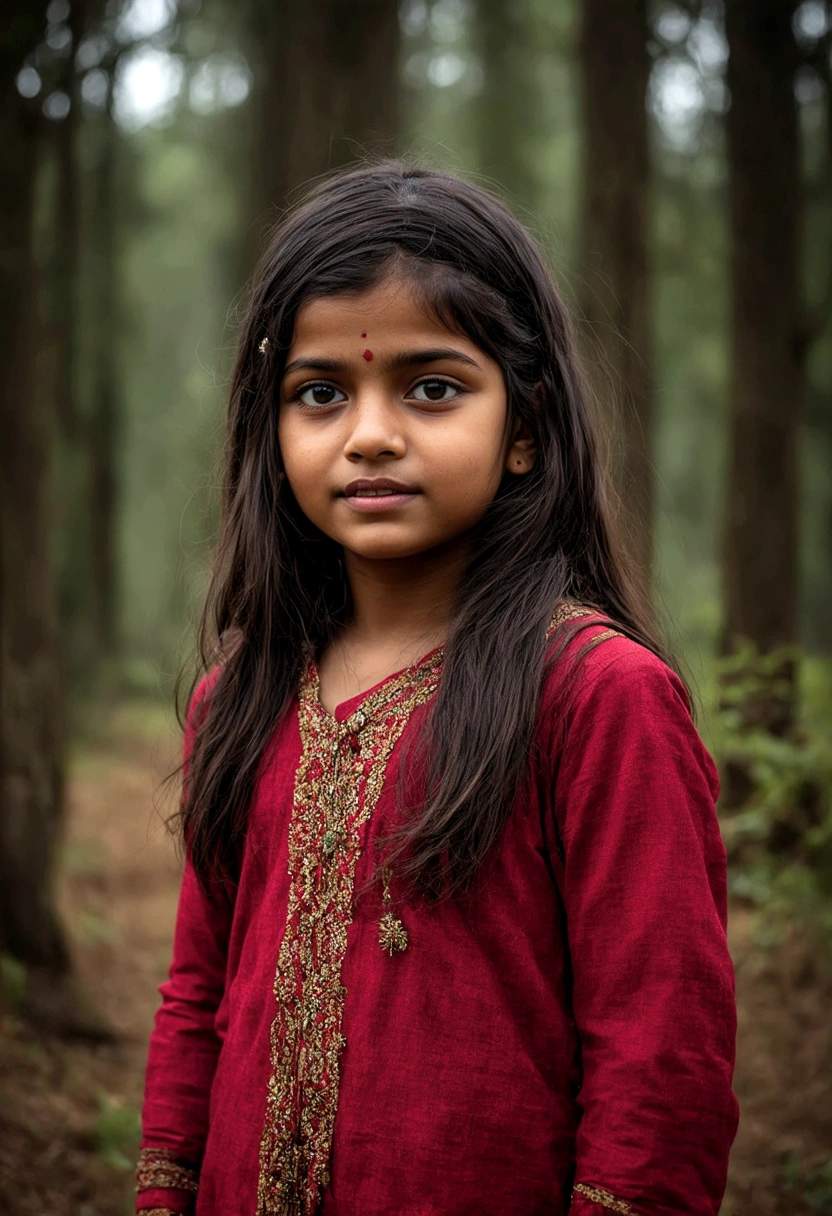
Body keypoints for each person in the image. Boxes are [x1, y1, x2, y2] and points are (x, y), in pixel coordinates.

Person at [135, 162, 738, 1216]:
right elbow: (197, 1002)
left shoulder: (597, 697)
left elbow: (662, 1050)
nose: (370, 431)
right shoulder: (242, 698)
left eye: (431, 386)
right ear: (271, 435)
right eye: (320, 392)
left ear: (523, 425)